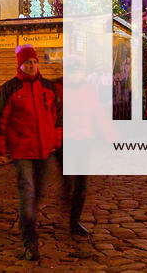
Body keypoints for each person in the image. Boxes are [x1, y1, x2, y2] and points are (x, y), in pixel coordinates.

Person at [0, 45, 62, 261]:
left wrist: (56, 140)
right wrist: (0, 148)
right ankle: (30, 242)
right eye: (27, 62)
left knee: (38, 194)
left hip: (44, 150)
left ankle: (26, 221)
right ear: (20, 65)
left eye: (34, 62)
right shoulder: (10, 89)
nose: (31, 66)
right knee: (28, 193)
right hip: (22, 150)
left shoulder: (47, 88)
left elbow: (57, 116)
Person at [54, 77, 90, 238]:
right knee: (68, 177)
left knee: (81, 184)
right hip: (63, 140)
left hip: (82, 140)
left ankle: (74, 222)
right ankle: (67, 205)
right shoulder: (55, 86)